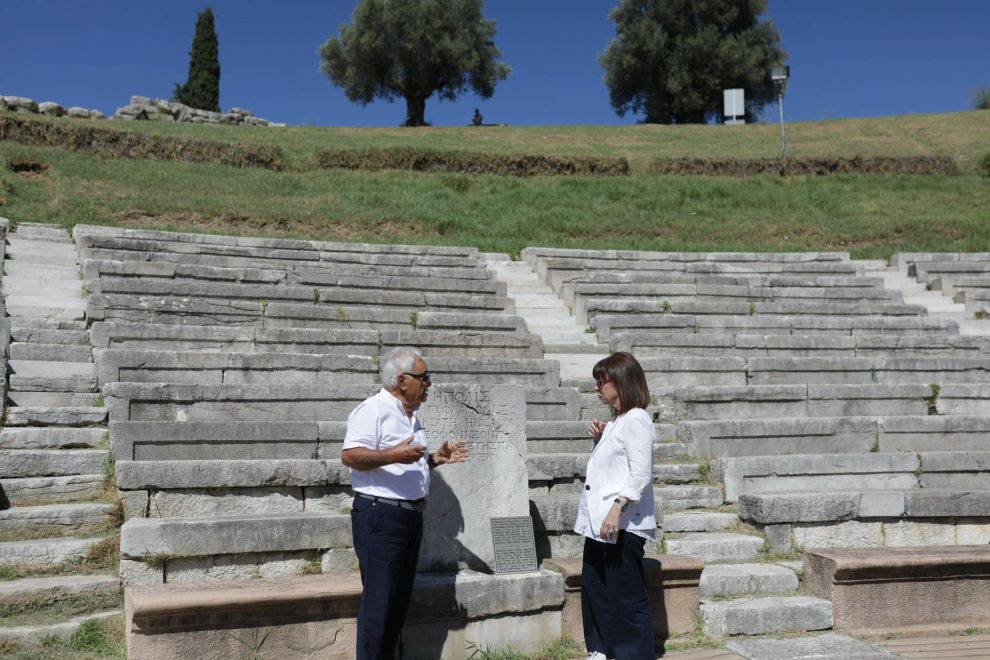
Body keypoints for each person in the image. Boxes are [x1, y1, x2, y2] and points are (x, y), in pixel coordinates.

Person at [342, 346, 469, 660]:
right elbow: (350, 455)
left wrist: (434, 459)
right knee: (378, 605)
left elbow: (407, 462)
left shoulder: (410, 416)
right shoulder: (373, 410)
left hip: (409, 517)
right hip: (381, 516)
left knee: (397, 604)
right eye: (424, 378)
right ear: (402, 381)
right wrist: (392, 455)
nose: (428, 384)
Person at [574, 351, 657, 660]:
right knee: (596, 589)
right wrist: (600, 440)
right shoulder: (619, 421)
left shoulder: (637, 419)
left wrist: (617, 508)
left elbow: (640, 473)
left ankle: (631, 655)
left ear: (621, 381)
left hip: (621, 523)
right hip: (601, 525)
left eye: (602, 380)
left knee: (625, 596)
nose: (598, 387)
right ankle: (602, 651)